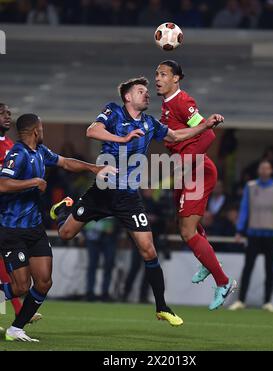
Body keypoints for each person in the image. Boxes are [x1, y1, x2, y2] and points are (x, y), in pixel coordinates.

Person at [50, 76, 223, 326]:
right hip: (102, 189)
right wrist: (121, 139)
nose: (147, 94)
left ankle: (162, 307)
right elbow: (91, 131)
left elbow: (175, 136)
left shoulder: (150, 123)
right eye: (141, 91)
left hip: (129, 197)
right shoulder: (113, 111)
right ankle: (68, 206)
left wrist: (205, 126)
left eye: (146, 91)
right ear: (128, 97)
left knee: (148, 250)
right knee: (66, 234)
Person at [0, 113, 114, 342]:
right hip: (12, 230)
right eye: (41, 128)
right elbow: (2, 184)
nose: (43, 131)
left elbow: (65, 162)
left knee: (44, 282)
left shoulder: (41, 152)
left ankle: (16, 329)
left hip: (35, 228)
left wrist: (94, 168)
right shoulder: (17, 154)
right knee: (21, 286)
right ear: (35, 131)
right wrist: (33, 182)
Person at [155, 60, 237, 310]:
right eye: (156, 74)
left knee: (188, 231)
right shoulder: (167, 104)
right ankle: (206, 259)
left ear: (176, 79)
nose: (158, 78)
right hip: (187, 171)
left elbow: (208, 134)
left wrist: (185, 163)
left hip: (197, 171)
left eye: (164, 74)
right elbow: (197, 129)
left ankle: (223, 282)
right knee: (186, 227)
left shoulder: (182, 101)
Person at [0, 103, 41, 331]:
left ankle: (15, 311)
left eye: (9, 112)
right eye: (2, 113)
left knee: (7, 270)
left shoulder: (11, 146)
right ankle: (17, 310)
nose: (8, 116)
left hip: (7, 214)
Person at [229, 160, 273, 312]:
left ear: (271, 171)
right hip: (253, 233)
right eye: (262, 168)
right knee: (247, 267)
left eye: (267, 168)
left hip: (271, 233)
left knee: (269, 269)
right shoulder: (250, 187)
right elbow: (244, 210)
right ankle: (241, 300)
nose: (264, 170)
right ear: (258, 170)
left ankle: (267, 301)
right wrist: (240, 230)